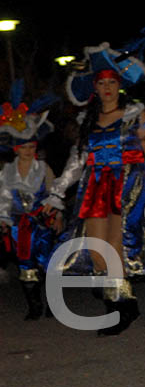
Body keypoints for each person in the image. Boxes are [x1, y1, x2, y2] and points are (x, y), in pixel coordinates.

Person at [47, 41, 145, 336]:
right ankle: (125, 302)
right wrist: (57, 192)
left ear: (119, 85)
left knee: (117, 247)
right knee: (97, 251)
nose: (107, 88)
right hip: (96, 187)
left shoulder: (136, 112)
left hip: (127, 184)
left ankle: (119, 310)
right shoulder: (87, 120)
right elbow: (77, 161)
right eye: (102, 83)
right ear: (94, 88)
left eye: (112, 82)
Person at [0, 82, 60, 319]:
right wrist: (4, 219)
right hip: (18, 227)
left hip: (42, 223)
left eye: (31, 146)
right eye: (23, 147)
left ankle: (54, 304)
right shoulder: (6, 172)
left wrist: (58, 216)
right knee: (26, 266)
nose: (27, 150)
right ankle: (34, 306)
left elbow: (55, 193)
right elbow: (3, 197)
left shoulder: (44, 168)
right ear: (15, 149)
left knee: (48, 264)